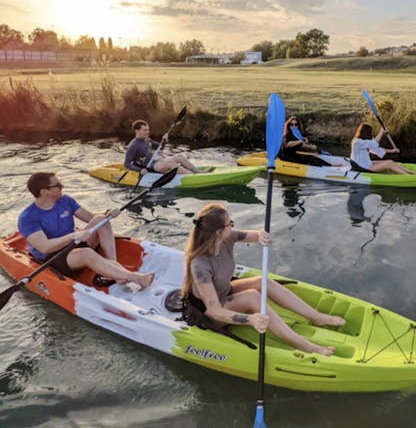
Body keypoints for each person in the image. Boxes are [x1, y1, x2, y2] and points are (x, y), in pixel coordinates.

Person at [181, 203, 345, 356]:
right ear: (218, 232)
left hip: (224, 292)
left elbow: (253, 235)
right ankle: (305, 346)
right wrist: (249, 319)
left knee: (261, 281)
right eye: (229, 223)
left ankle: (316, 317)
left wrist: (261, 236)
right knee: (252, 296)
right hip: (210, 316)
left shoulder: (226, 237)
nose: (232, 224)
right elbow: (213, 310)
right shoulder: (200, 265)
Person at [17, 172, 154, 288]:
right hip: (53, 256)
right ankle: (135, 278)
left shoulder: (65, 200)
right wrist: (72, 236)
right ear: (44, 191)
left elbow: (91, 217)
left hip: (74, 242)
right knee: (86, 253)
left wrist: (108, 213)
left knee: (101, 220)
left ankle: (111, 270)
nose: (62, 186)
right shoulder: (28, 217)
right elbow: (45, 247)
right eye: (57, 185)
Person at [124, 119, 207, 175]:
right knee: (171, 164)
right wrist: (140, 170)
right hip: (150, 167)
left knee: (179, 157)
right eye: (145, 130)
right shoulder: (133, 145)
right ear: (137, 131)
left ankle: (199, 172)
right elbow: (127, 164)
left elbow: (161, 147)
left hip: (157, 162)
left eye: (148, 129)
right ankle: (193, 176)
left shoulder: (147, 140)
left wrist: (164, 140)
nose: (148, 132)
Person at [350, 123, 416, 175]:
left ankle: (412, 173)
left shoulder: (364, 141)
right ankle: (408, 177)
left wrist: (393, 150)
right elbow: (374, 143)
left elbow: (375, 149)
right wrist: (381, 131)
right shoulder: (357, 142)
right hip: (361, 167)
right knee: (388, 164)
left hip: (366, 164)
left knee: (390, 161)